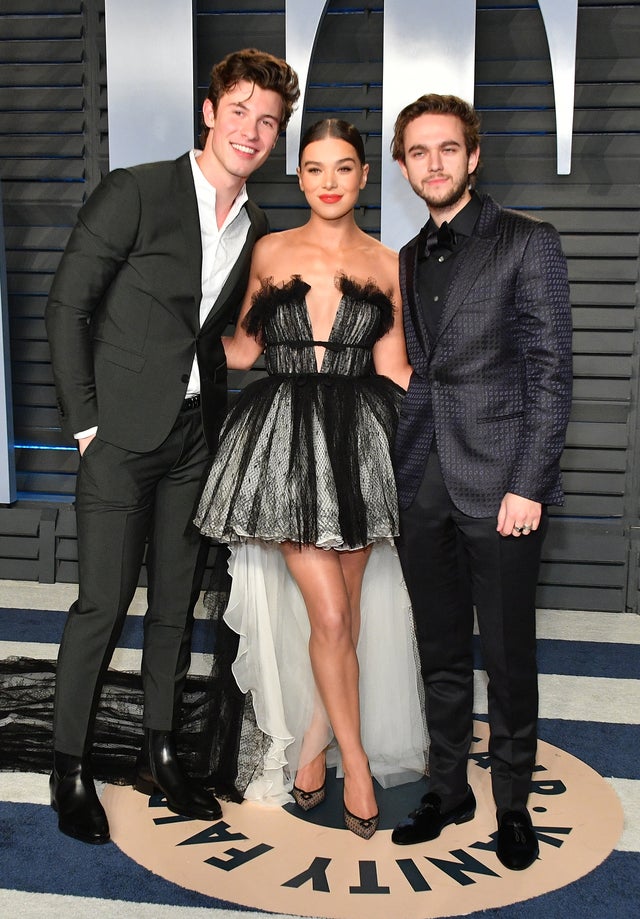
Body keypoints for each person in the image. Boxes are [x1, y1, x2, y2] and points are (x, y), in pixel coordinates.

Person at [44, 48, 300, 845]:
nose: (251, 131)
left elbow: (214, 333)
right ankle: (69, 766)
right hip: (118, 438)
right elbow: (66, 308)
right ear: (209, 111)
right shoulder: (138, 190)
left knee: (175, 606)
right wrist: (88, 425)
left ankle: (161, 749)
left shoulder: (254, 223)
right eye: (240, 112)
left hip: (195, 439)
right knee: (101, 605)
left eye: (269, 121)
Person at [195, 118, 427, 839]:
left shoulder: (391, 263)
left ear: (364, 177)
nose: (330, 181)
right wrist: (159, 328)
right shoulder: (269, 249)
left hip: (360, 438)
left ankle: (319, 740)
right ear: (300, 178)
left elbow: (393, 368)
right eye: (316, 169)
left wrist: (477, 395)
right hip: (284, 438)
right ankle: (355, 764)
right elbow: (241, 349)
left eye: (344, 168)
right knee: (328, 615)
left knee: (348, 612)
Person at [388, 94, 572, 869]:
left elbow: (550, 372)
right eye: (418, 152)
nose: (434, 163)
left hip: (502, 485)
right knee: (437, 650)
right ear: (403, 167)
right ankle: (447, 787)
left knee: (507, 652)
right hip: (423, 476)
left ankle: (510, 803)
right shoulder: (406, 253)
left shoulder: (528, 243)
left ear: (474, 156)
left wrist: (529, 482)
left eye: (447, 149)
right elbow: (424, 371)